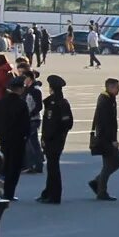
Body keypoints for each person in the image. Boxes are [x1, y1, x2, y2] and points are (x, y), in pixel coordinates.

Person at [36, 75, 74, 204]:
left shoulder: (57, 104)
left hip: (54, 140)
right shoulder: (59, 102)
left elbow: (56, 124)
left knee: (53, 169)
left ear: (52, 88)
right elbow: (67, 123)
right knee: (52, 167)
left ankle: (54, 195)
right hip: (56, 139)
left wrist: (47, 138)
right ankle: (48, 192)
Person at [0, 75, 31, 200]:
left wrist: (0, 135)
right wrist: (25, 136)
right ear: (20, 89)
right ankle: (9, 193)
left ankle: (1, 181)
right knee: (14, 167)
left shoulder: (0, 103)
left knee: (5, 163)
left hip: (4, 138)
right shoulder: (21, 104)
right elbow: (26, 124)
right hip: (18, 140)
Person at [88, 77, 119, 200]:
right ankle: (101, 191)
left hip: (106, 137)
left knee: (114, 163)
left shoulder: (109, 98)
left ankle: (97, 183)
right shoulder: (105, 101)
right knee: (111, 164)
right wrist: (112, 140)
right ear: (111, 88)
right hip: (105, 139)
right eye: (117, 87)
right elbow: (107, 123)